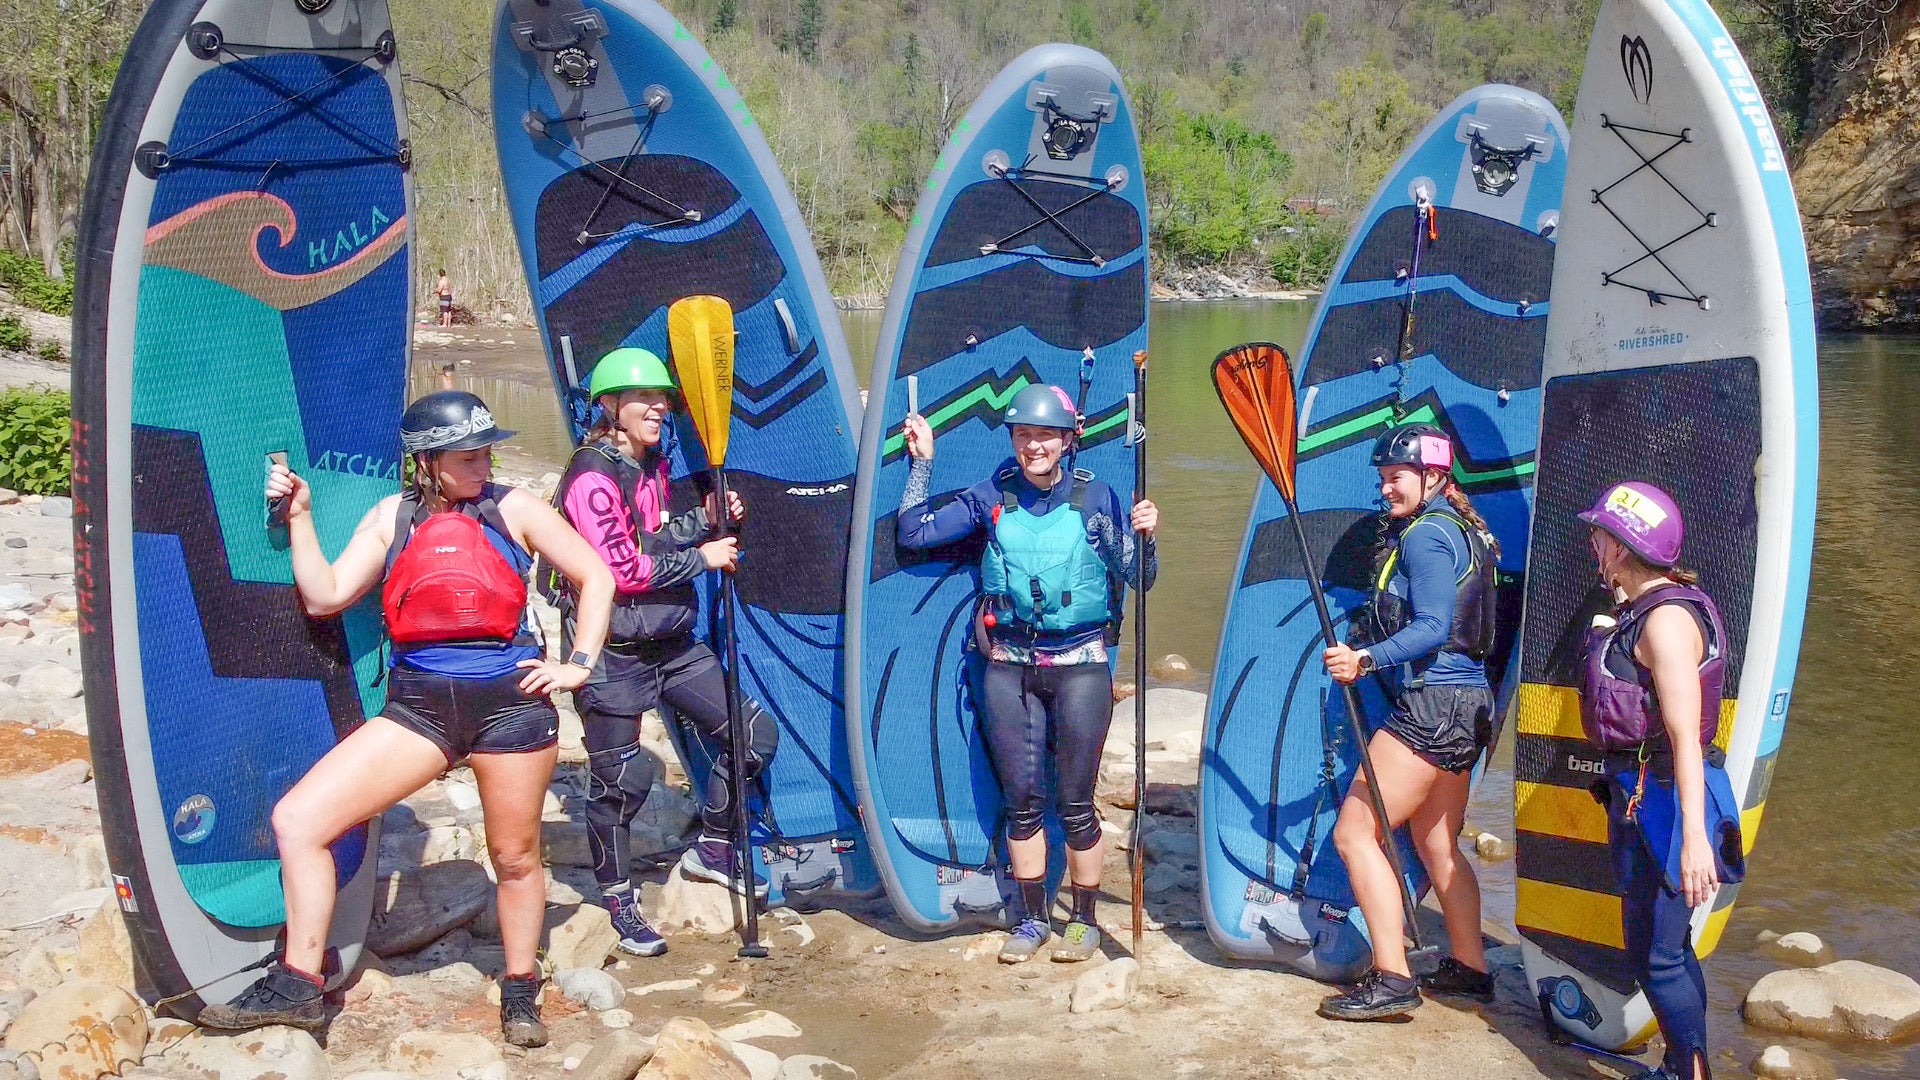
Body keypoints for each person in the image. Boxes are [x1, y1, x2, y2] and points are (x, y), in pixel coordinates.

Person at [198, 391, 614, 1048]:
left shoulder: (516, 509)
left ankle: (519, 988)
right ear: (427, 459)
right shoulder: (394, 515)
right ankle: (300, 983)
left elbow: (596, 575)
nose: (483, 465)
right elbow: (326, 595)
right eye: (468, 456)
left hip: (512, 708)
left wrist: (578, 663)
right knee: (299, 821)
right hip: (419, 711)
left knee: (514, 855)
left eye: (487, 452)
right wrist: (301, 517)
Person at [897, 383, 1157, 964]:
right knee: (1021, 801)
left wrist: (1147, 534)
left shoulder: (1097, 500)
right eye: (1023, 435)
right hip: (1008, 667)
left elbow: (1142, 578)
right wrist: (923, 464)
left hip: (1082, 667)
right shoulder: (992, 495)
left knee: (1076, 803)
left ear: (1067, 440)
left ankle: (1083, 920)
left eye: (1044, 435)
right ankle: (1033, 919)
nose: (1033, 445)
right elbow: (913, 533)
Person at [550, 347, 778, 953]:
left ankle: (712, 847)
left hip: (674, 645)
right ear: (609, 406)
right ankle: (620, 901)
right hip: (612, 652)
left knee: (753, 734)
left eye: (663, 398)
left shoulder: (651, 465)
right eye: (644, 398)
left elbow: (650, 537)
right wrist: (703, 554)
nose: (658, 407)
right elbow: (621, 569)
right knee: (619, 781)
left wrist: (704, 519)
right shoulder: (591, 476)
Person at [1319, 422, 1498, 1020]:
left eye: (1396, 477)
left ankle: (1393, 977)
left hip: (1433, 704)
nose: (1386, 488)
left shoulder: (1426, 536)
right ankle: (1471, 969)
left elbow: (1432, 627)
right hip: (1470, 705)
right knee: (1436, 841)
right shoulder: (1466, 530)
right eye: (1383, 478)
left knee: (1353, 833)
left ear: (1432, 477)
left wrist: (1364, 658)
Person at [1577, 482, 1743, 1080]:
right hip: (1647, 794)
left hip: (1669, 800)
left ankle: (1686, 1071)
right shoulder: (1652, 607)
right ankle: (1684, 1065)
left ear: (1620, 547)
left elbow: (1683, 735)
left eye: (1598, 534)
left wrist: (1694, 838)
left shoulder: (1667, 621)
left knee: (1660, 960)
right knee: (1668, 952)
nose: (1591, 541)